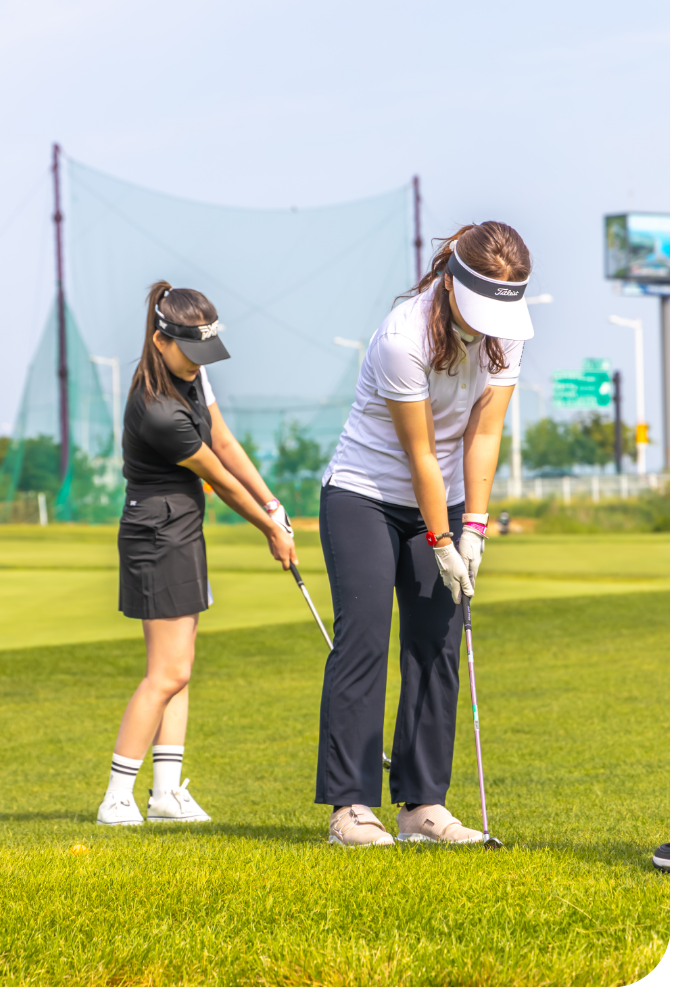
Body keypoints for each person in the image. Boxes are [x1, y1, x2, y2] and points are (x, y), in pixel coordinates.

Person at [317, 222, 533, 846]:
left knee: (437, 642)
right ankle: (350, 807)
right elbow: (420, 456)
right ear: (452, 283)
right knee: (364, 639)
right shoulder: (402, 338)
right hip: (365, 493)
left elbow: (483, 434)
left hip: (447, 493)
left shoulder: (505, 334)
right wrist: (440, 541)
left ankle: (422, 806)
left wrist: (474, 528)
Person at [97, 282, 297, 826]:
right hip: (156, 533)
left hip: (181, 528)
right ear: (160, 341)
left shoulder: (191, 374)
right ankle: (117, 797)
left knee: (180, 670)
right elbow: (221, 479)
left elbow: (226, 442)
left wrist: (273, 503)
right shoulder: (159, 410)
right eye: (189, 351)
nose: (197, 362)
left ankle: (166, 794)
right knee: (165, 673)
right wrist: (270, 529)